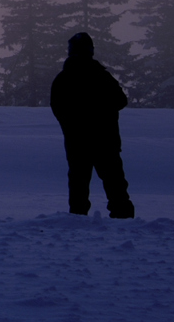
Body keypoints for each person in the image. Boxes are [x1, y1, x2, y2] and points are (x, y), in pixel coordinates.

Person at [50, 32, 135, 219]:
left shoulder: (63, 78)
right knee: (114, 182)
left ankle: (78, 218)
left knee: (79, 183)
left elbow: (58, 108)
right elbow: (120, 100)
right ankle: (123, 218)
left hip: (78, 141)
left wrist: (73, 126)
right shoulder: (101, 76)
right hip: (105, 139)